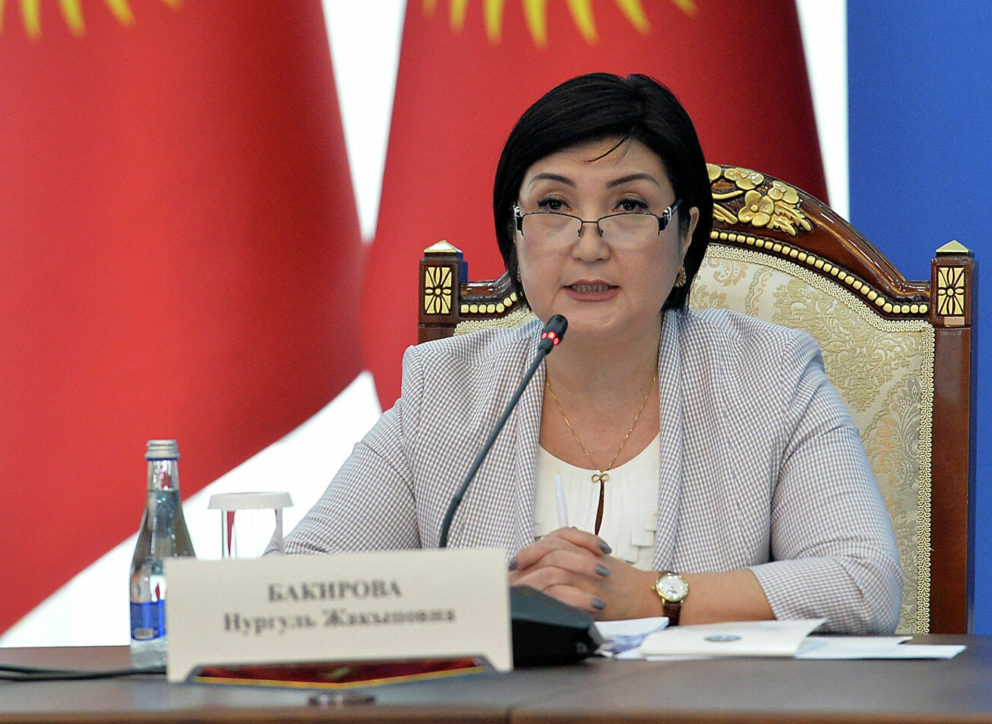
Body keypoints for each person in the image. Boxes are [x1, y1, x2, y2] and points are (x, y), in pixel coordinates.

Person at [281, 73, 903, 634]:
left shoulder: (769, 375)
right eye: (553, 206)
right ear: (514, 235)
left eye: (629, 207)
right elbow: (292, 587)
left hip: (705, 721)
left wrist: (653, 596)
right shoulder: (446, 390)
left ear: (686, 235)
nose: (588, 246)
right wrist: (489, 601)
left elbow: (864, 584)